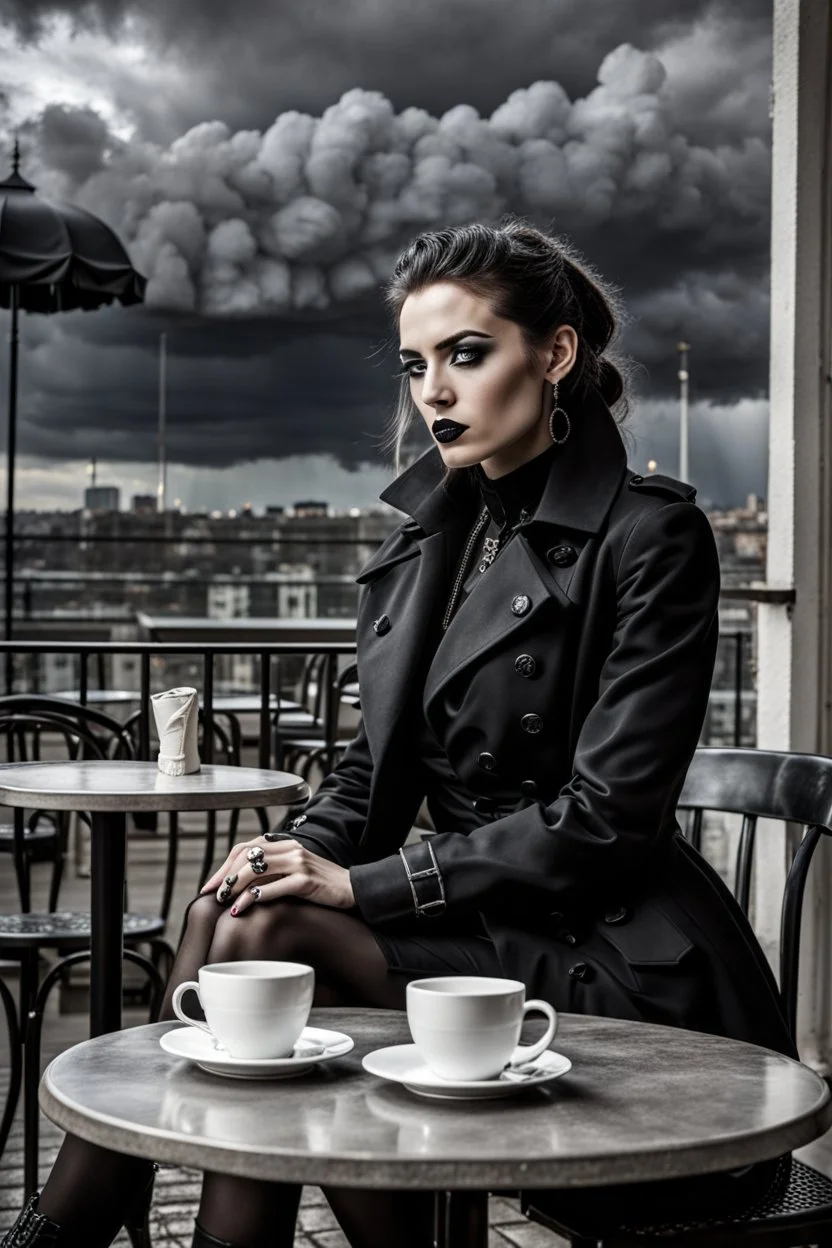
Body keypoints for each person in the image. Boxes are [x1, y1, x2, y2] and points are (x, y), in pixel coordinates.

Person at [4, 218, 795, 1248]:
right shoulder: (430, 539)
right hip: (482, 925)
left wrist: (367, 885)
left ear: (553, 355)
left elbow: (605, 822)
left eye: (468, 355)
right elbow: (369, 776)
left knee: (265, 940)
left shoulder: (652, 535)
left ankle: (67, 1226)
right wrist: (304, 851)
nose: (434, 392)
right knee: (243, 905)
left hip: (614, 947)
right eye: (419, 364)